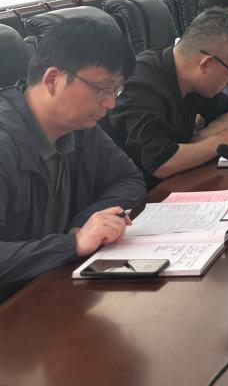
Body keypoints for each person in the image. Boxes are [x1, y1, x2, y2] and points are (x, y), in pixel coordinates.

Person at [0, 19, 145, 302]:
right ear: (53, 79)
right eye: (102, 89)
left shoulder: (80, 128)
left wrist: (85, 223)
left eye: (115, 90)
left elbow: (129, 178)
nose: (110, 103)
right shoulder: (5, 144)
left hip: (52, 287)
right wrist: (72, 243)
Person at [103, 9, 228, 186]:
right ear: (206, 64)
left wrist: (199, 141)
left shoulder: (192, 78)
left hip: (178, 180)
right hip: (140, 193)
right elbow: (161, 163)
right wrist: (223, 141)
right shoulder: (141, 85)